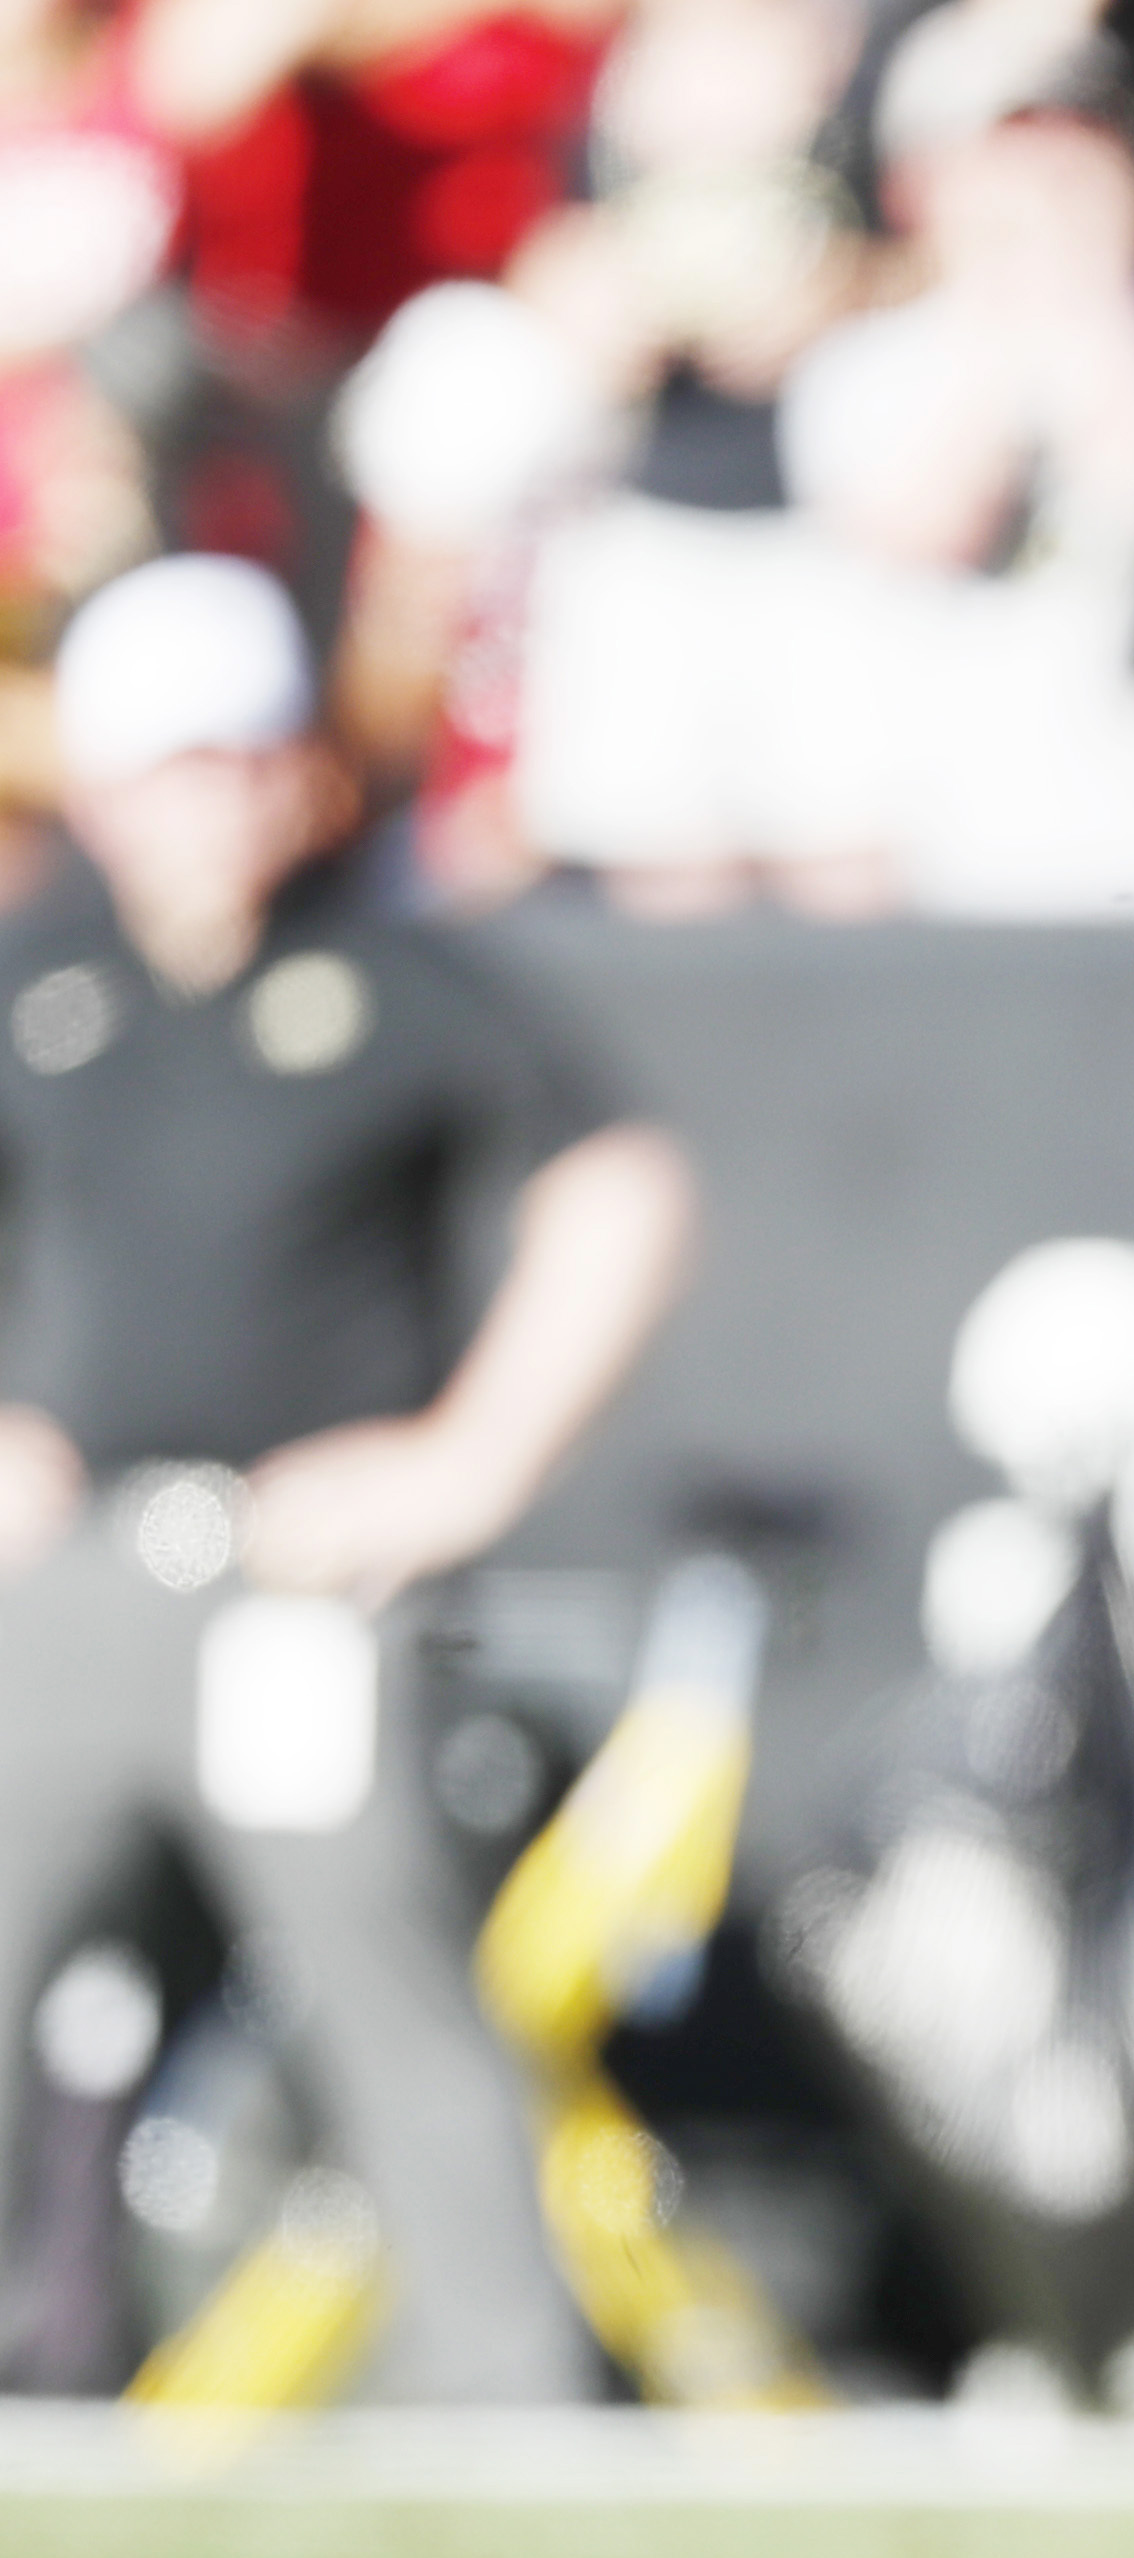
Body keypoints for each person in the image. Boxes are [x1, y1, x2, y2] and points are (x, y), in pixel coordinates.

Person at [0, 554, 694, 2399]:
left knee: (391, 1989)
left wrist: (465, 1465)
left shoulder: (396, 983)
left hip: (297, 1586)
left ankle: (503, 2398)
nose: (211, 799)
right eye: (171, 761)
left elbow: (615, 1188)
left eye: (242, 756)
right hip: (71, 1579)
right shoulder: (40, 980)